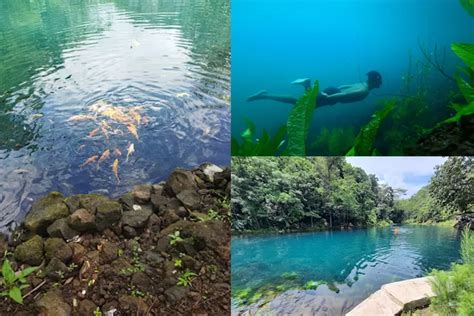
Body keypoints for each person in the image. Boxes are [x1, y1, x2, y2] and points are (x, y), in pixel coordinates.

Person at [247, 71, 383, 107]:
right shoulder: (364, 91)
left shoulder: (360, 84)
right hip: (333, 96)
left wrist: (330, 93)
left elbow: (343, 87)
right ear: (375, 82)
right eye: (379, 83)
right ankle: (307, 84)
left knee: (300, 102)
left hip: (333, 90)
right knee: (299, 103)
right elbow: (343, 96)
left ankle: (264, 95)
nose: (379, 86)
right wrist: (328, 97)